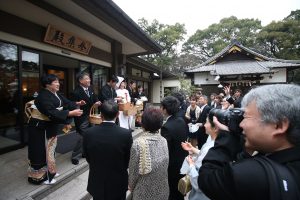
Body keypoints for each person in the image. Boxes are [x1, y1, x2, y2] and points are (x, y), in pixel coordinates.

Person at [198, 84, 300, 200]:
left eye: (246, 117)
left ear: (279, 125)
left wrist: (228, 136)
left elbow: (208, 179)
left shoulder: (258, 175)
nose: (241, 125)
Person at [27, 74, 84, 185]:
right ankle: (41, 177)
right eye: (55, 82)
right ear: (47, 84)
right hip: (40, 128)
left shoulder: (55, 94)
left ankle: (50, 170)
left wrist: (77, 103)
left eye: (58, 81)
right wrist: (69, 113)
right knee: (41, 151)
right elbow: (51, 112)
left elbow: (66, 102)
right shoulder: (43, 96)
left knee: (51, 150)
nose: (58, 84)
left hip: (49, 126)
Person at [83, 100, 133, 200]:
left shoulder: (88, 133)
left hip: (97, 179)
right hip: (118, 180)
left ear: (100, 115)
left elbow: (87, 156)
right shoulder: (125, 134)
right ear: (118, 114)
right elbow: (128, 159)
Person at [128, 107, 169, 200]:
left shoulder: (138, 143)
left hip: (143, 192)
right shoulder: (163, 140)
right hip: (162, 189)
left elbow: (133, 171)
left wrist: (131, 185)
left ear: (143, 124)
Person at [181, 112, 219, 200]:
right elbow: (205, 154)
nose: (204, 125)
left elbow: (198, 182)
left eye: (207, 122)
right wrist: (192, 149)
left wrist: (191, 165)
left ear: (216, 128)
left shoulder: (212, 146)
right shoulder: (214, 140)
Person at [70, 72, 101, 165]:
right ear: (80, 80)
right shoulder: (75, 92)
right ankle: (74, 156)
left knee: (90, 135)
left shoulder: (90, 88)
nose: (89, 80)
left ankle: (84, 153)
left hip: (91, 116)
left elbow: (95, 98)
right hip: (81, 118)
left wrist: (98, 102)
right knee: (82, 137)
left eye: (89, 78)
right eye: (87, 78)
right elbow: (73, 106)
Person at [161, 96, 188, 200]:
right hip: (182, 163)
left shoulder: (167, 127)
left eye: (161, 107)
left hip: (172, 166)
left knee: (172, 192)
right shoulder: (181, 121)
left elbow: (165, 151)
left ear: (165, 109)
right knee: (179, 192)